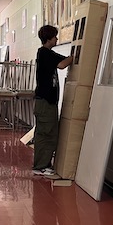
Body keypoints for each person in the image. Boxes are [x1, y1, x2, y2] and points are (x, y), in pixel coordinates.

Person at [33, 24, 73, 176]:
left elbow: (64, 60)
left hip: (48, 102)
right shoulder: (44, 53)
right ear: (48, 39)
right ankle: (40, 166)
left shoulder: (49, 53)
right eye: (55, 37)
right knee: (46, 134)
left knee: (48, 132)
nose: (57, 39)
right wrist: (76, 55)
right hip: (45, 102)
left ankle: (44, 164)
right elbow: (63, 64)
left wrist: (72, 57)